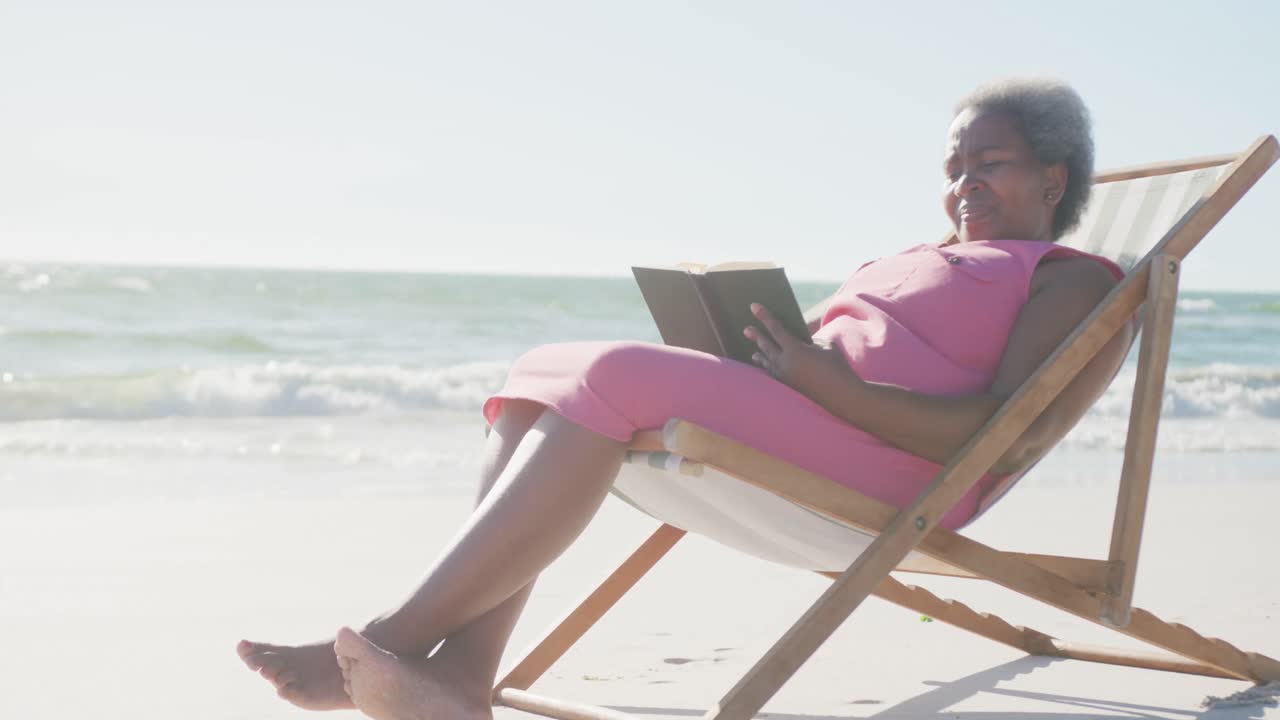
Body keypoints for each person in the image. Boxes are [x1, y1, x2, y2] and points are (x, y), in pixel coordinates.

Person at [237, 78, 1133, 720]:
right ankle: (464, 678)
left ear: (1054, 181)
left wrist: (824, 381)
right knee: (533, 379)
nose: (964, 182)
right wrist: (764, 351)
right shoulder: (923, 253)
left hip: (907, 469)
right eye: (954, 165)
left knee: (613, 374)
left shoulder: (1073, 279)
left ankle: (391, 640)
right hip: (813, 419)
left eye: (992, 163)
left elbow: (997, 432)